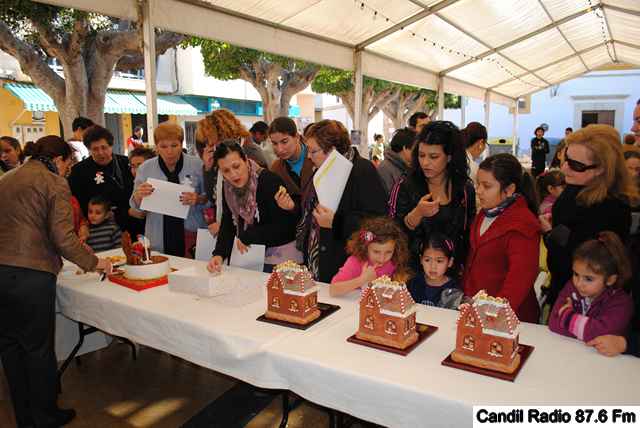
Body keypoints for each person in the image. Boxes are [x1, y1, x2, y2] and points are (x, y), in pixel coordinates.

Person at [0, 135, 111, 428]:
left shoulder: (7, 178)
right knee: (37, 350)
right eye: (68, 165)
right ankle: (46, 416)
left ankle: (25, 418)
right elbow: (63, 238)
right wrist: (95, 263)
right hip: (30, 275)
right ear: (59, 159)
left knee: (10, 348)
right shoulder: (54, 182)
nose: (67, 171)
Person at [541, 125, 638, 308]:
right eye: (566, 159)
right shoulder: (575, 186)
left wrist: (550, 234)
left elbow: (590, 266)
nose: (565, 168)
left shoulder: (612, 208)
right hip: (563, 290)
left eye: (576, 165)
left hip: (587, 304)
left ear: (602, 169)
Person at [296, 120, 387, 283]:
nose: (308, 156)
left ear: (332, 151)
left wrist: (336, 222)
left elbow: (377, 223)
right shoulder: (321, 170)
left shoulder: (361, 171)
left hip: (347, 267)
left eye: (313, 151)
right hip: (319, 262)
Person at [463, 153, 541, 323]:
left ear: (509, 189)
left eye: (487, 186)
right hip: (478, 309)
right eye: (478, 184)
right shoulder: (485, 213)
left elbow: (519, 280)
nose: (479, 191)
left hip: (508, 318)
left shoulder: (523, 224)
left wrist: (494, 314)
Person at [389, 121, 475, 272]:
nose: (425, 162)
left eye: (434, 156)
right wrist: (416, 214)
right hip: (413, 273)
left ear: (449, 157)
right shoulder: (404, 185)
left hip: (451, 274)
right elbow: (391, 235)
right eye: (421, 155)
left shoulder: (464, 189)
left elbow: (467, 235)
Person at [206, 141, 298, 273]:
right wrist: (219, 254)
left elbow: (286, 227)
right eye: (226, 171)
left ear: (245, 160)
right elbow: (228, 223)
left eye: (236, 166)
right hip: (250, 258)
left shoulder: (268, 181)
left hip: (282, 258)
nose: (233, 174)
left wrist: (250, 236)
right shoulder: (228, 188)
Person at [131, 123, 207, 257]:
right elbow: (135, 206)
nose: (169, 151)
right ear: (156, 146)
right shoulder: (145, 168)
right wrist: (138, 196)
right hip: (157, 235)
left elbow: (211, 199)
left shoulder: (197, 165)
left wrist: (198, 199)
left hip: (191, 234)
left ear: (181, 144)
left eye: (174, 145)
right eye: (163, 146)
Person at [548, 232, 633, 344]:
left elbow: (600, 335)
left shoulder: (621, 303)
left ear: (610, 280)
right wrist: (587, 329)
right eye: (576, 274)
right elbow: (553, 322)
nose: (579, 283)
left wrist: (567, 316)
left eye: (588, 279)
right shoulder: (572, 286)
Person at [196, 109, 267, 235]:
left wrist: (224, 226)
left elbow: (253, 201)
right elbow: (215, 197)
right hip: (230, 229)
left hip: (250, 232)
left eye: (212, 140)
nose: (211, 145)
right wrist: (208, 168)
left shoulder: (249, 151)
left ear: (222, 134)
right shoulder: (222, 153)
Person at [68, 125, 134, 234]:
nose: (101, 153)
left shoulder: (126, 164)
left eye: (104, 147)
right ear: (89, 149)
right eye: (95, 149)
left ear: (111, 146)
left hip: (129, 223)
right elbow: (77, 204)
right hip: (97, 230)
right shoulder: (79, 171)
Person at [330, 217, 410, 297]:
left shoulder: (394, 261)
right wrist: (362, 279)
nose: (382, 258)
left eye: (388, 252)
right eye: (376, 252)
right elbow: (333, 290)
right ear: (365, 247)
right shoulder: (355, 262)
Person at [268, 117, 315, 213]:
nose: (280, 149)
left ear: (297, 137)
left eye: (284, 142)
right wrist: (291, 207)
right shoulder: (275, 169)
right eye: (275, 143)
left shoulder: (316, 156)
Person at [407, 232, 463, 309]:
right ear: (421, 259)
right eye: (427, 260)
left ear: (450, 262)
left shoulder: (453, 290)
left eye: (439, 261)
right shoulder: (414, 283)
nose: (433, 267)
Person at [377, 127, 416, 197]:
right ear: (405, 148)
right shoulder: (384, 169)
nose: (418, 154)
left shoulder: (404, 166)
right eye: (415, 149)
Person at [127, 147, 156, 239]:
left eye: (140, 165)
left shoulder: (159, 185)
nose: (136, 170)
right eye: (133, 166)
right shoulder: (128, 185)